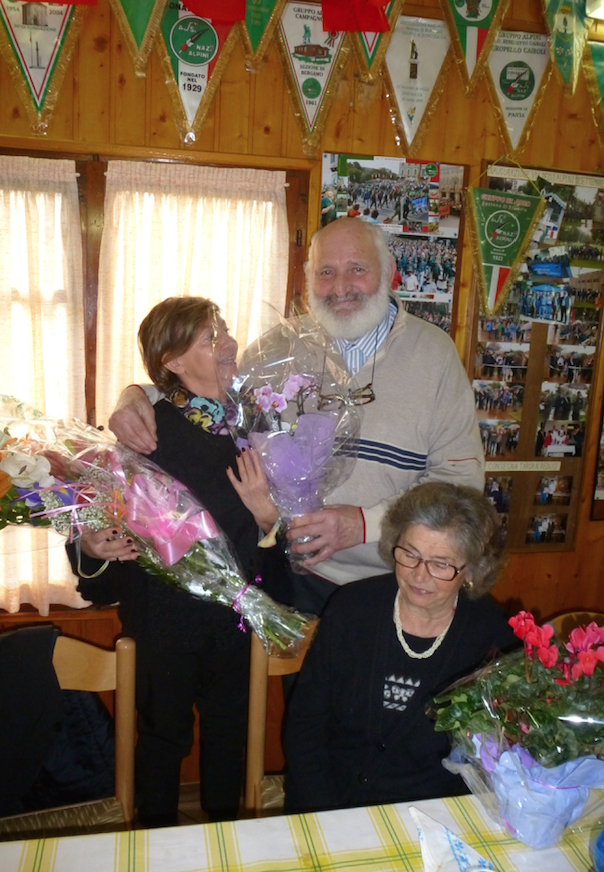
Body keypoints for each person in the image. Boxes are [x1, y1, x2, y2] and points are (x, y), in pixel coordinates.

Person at [108, 220, 483, 615]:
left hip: (398, 583)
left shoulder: (435, 355)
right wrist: (136, 396)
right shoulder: (278, 346)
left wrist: (365, 525)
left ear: (388, 271)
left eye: (357, 268)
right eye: (326, 272)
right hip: (294, 581)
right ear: (308, 279)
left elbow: (462, 484)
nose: (340, 287)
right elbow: (208, 390)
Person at [70, 297, 289, 827]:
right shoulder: (143, 434)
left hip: (237, 624)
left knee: (230, 738)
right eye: (211, 338)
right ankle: (153, 844)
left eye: (225, 330)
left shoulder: (261, 428)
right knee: (161, 742)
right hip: (161, 626)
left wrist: (269, 518)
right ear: (172, 361)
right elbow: (93, 544)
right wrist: (91, 547)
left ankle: (224, 843)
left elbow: (279, 554)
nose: (229, 343)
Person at [283, 481, 515, 813]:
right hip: (330, 801)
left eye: (440, 563)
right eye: (410, 554)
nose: (419, 575)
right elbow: (305, 726)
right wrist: (328, 814)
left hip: (436, 811)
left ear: (471, 571)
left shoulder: (492, 635)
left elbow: (494, 756)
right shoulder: (351, 609)